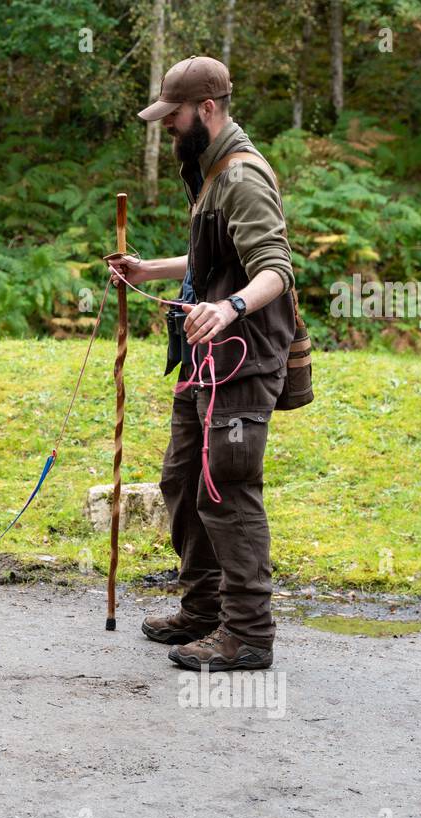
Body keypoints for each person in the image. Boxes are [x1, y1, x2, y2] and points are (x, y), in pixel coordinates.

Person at [106, 55, 296, 672]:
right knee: (183, 482)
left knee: (226, 489)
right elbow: (210, 259)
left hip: (241, 361)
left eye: (174, 117)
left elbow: (275, 268)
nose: (167, 128)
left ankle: (248, 635)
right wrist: (148, 270)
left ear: (206, 110)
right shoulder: (208, 170)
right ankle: (204, 608)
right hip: (202, 357)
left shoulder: (242, 177)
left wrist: (231, 308)